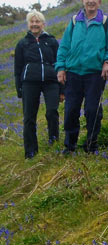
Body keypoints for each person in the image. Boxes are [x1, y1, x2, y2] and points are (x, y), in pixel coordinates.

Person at [56, 0, 108, 153]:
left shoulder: (105, 22)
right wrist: (61, 67)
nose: (90, 1)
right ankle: (70, 146)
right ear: (83, 1)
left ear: (99, 2)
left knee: (92, 110)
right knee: (70, 111)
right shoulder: (75, 21)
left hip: (95, 74)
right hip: (73, 73)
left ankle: (91, 145)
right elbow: (64, 46)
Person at [14, 11, 63, 158]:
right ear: (28, 24)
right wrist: (19, 89)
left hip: (51, 81)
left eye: (38, 21)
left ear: (43, 24)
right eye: (32, 22)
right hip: (29, 83)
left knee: (52, 112)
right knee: (29, 117)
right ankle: (30, 151)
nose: (35, 24)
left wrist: (62, 89)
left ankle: (54, 143)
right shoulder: (22, 44)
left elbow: (60, 64)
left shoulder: (52, 41)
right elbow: (18, 68)